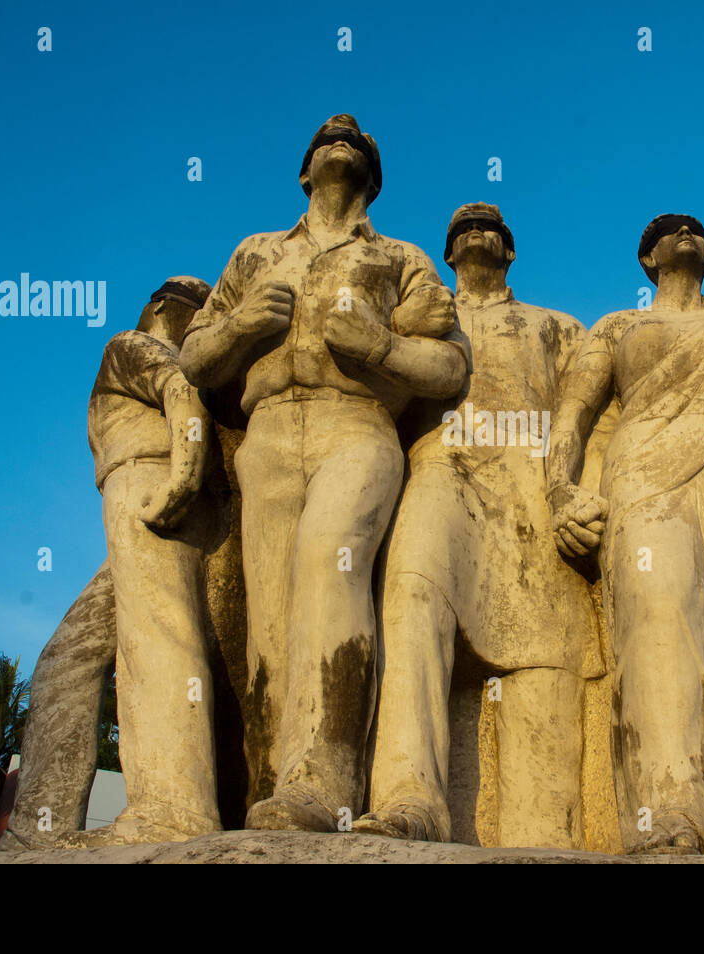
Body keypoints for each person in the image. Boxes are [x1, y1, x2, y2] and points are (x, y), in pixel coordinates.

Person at [179, 115, 468, 832]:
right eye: (324, 136)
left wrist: (375, 347)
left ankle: (326, 782)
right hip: (269, 433)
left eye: (356, 138)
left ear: (372, 175)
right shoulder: (255, 253)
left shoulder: (399, 258)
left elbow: (450, 364)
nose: (340, 133)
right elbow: (193, 358)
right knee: (270, 626)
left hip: (356, 424)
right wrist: (243, 327)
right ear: (305, 173)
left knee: (328, 566)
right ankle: (276, 785)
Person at [356, 203, 609, 848]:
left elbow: (592, 423)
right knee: (412, 596)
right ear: (447, 252)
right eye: (463, 226)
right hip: (444, 467)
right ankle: (410, 793)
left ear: (510, 249)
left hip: (533, 490)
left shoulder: (558, 327)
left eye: (490, 225)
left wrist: (579, 496)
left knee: (545, 667)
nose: (477, 230)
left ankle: (547, 838)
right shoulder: (423, 320)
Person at [544, 214, 704, 854]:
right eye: (669, 231)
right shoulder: (619, 325)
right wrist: (561, 491)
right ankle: (668, 812)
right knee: (658, 618)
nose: (686, 234)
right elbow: (573, 413)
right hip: (643, 471)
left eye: (696, 230)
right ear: (647, 259)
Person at [59, 276, 223, 846]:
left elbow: (178, 388)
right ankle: (39, 827)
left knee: (158, 638)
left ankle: (173, 811)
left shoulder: (130, 344)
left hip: (155, 488)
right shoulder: (195, 365)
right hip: (151, 490)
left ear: (154, 308)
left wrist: (184, 471)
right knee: (67, 661)